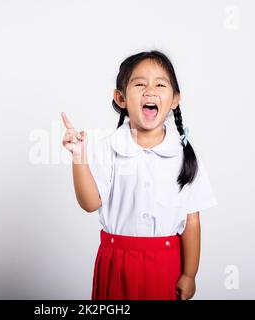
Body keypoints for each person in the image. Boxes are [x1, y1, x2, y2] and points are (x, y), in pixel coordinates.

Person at [61, 50, 218, 300]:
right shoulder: (106, 147)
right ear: (121, 98)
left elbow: (192, 222)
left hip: (165, 264)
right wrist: (79, 157)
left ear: (175, 98)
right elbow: (90, 204)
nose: (150, 91)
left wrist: (189, 274)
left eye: (160, 84)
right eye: (140, 84)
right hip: (116, 262)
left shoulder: (184, 154)